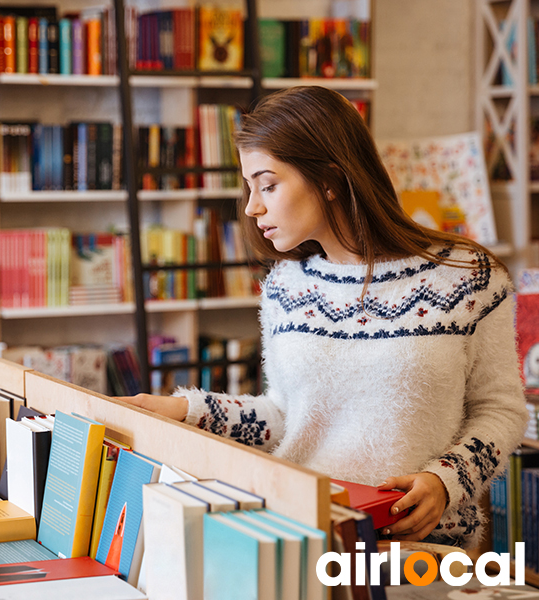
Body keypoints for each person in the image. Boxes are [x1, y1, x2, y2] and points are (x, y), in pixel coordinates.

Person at [118, 86, 527, 548]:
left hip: (422, 543)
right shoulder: (285, 286)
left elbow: (501, 410)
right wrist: (184, 409)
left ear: (330, 178)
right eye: (250, 187)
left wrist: (445, 482)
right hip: (304, 532)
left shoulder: (469, 276)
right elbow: (288, 417)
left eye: (268, 184)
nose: (252, 207)